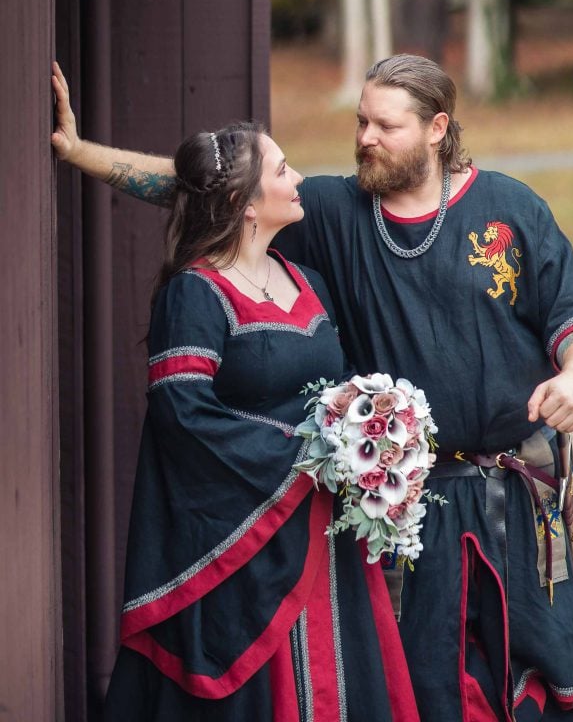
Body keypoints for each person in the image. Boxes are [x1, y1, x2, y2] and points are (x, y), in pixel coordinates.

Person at [52, 55, 573, 722]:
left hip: (516, 492)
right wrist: (79, 152)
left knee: (538, 673)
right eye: (359, 121)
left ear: (437, 128)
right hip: (407, 501)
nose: (364, 137)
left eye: (384, 125)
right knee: (427, 681)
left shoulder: (510, 208)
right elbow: (203, 187)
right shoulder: (333, 211)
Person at [70, 115, 420, 720]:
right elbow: (184, 414)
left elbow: (332, 391)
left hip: (321, 537)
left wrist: (372, 429)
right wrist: (314, 453)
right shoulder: (196, 293)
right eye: (282, 170)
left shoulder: (305, 280)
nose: (299, 178)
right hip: (243, 545)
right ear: (244, 203)